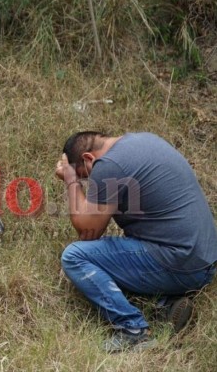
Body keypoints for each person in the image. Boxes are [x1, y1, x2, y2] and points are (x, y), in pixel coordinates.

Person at [55, 131, 217, 352]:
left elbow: (88, 231)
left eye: (87, 177)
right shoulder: (143, 140)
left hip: (182, 262)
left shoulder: (108, 165)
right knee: (113, 255)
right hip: (204, 260)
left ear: (88, 158)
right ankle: (164, 304)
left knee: (75, 256)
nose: (90, 184)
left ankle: (132, 329)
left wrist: (72, 181)